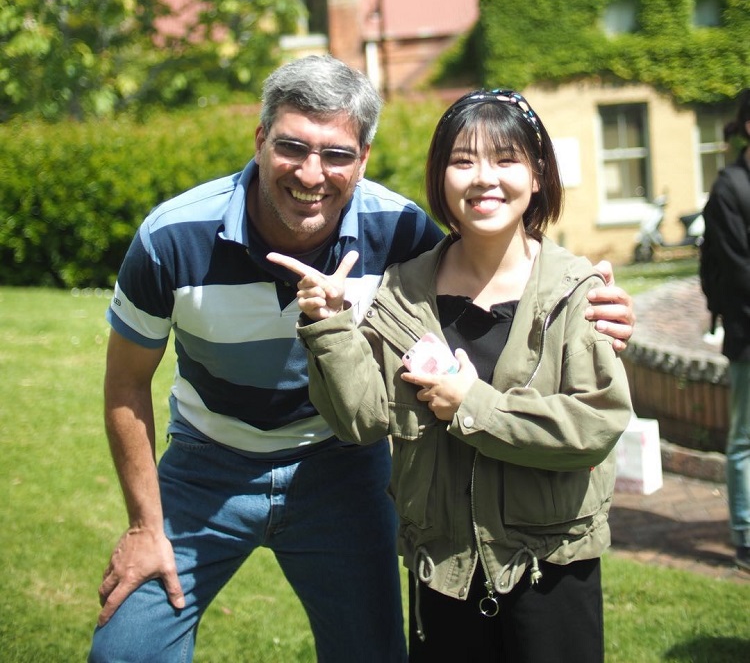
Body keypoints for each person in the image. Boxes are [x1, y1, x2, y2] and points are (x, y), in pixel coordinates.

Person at [89, 59, 635, 663]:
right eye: (291, 146)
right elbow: (125, 384)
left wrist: (594, 303)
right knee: (125, 653)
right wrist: (144, 527)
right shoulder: (172, 237)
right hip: (206, 463)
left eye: (337, 155)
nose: (311, 173)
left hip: (340, 467)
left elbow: (494, 274)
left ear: (364, 158)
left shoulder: (400, 233)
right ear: (260, 140)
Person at [273, 88, 633, 662]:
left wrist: (473, 404)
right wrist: (331, 326)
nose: (484, 178)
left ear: (537, 175)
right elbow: (362, 421)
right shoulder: (403, 291)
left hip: (549, 567)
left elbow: (596, 425)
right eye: (463, 161)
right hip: (441, 569)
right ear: (440, 177)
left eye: (506, 159)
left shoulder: (576, 293)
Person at [700, 88, 750, 573]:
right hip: (748, 332)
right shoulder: (730, 189)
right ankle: (746, 536)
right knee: (745, 440)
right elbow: (738, 271)